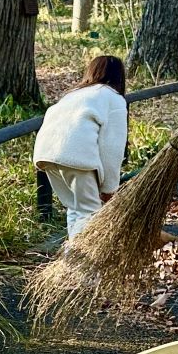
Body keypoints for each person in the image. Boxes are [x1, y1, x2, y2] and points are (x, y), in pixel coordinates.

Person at [33, 53, 128, 237]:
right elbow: (112, 148)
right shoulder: (113, 98)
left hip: (46, 155)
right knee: (90, 214)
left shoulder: (73, 94)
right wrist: (109, 188)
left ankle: (71, 258)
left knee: (75, 209)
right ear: (119, 76)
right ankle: (86, 263)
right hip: (76, 157)